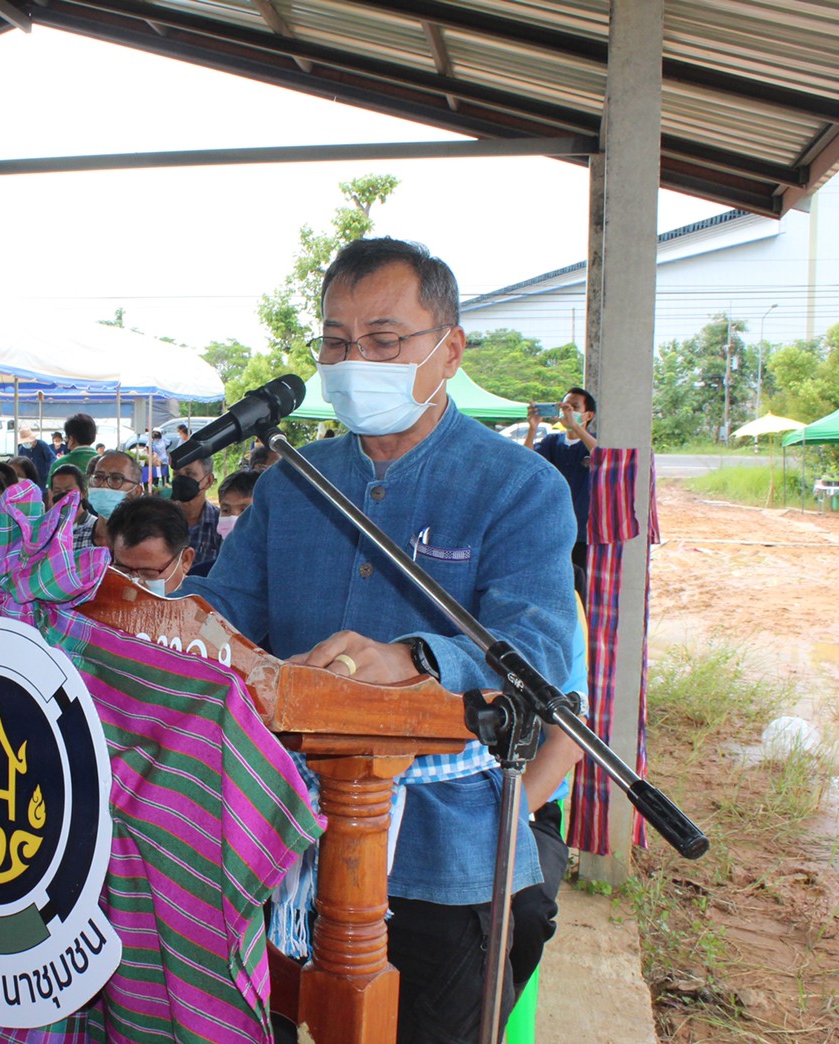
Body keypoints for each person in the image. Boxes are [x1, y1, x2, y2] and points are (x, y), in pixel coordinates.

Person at [177, 237, 580, 1040]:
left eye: (385, 341)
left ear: (449, 349)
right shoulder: (294, 480)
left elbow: (539, 649)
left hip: (445, 856)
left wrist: (416, 659)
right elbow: (223, 611)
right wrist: (144, 609)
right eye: (336, 340)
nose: (355, 359)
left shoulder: (518, 484)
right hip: (276, 832)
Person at [526, 387, 598, 591]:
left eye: (574, 407)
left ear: (588, 415)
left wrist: (576, 426)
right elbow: (526, 461)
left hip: (583, 530)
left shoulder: (590, 443)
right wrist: (532, 428)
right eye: (564, 405)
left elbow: (603, 456)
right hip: (553, 526)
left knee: (580, 582)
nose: (567, 410)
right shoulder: (551, 442)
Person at [107, 496, 194, 596]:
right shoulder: (101, 601)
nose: (135, 586)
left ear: (185, 560)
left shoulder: (206, 608)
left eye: (149, 574)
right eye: (123, 571)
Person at [169, 453, 223, 571]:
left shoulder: (220, 524)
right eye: (176, 474)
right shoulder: (159, 519)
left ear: (208, 481)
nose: (180, 480)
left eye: (189, 473)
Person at [86, 448, 145, 548]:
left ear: (137, 491)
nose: (104, 484)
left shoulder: (146, 542)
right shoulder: (71, 540)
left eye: (116, 478)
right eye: (98, 477)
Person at [48, 463, 99, 548]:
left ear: (83, 493)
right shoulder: (48, 529)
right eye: (57, 492)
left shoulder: (95, 529)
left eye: (69, 491)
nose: (64, 496)